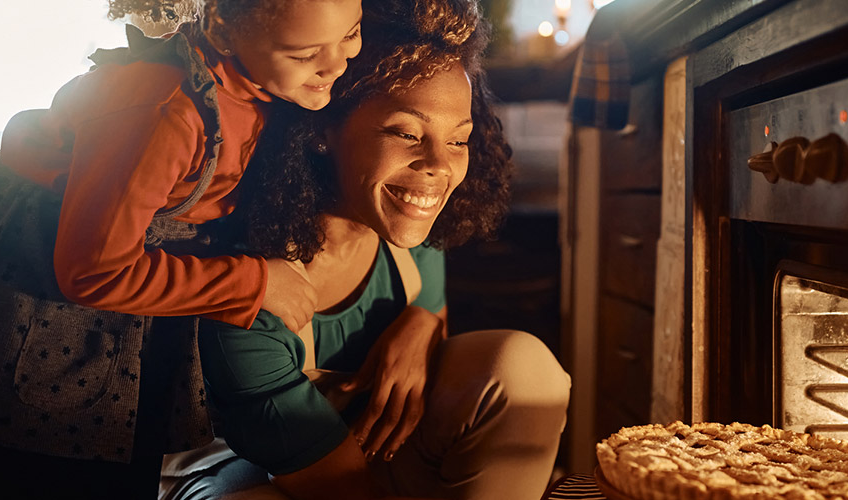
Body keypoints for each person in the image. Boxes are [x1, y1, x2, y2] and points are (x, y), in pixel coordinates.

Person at [0, 0, 362, 497]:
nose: (336, 64)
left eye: (350, 34)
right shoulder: (165, 111)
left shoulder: (274, 82)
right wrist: (255, 282)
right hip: (38, 302)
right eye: (306, 51)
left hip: (130, 306)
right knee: (41, 469)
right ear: (223, 30)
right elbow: (94, 271)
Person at [163, 1, 569, 499]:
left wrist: (422, 324)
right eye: (405, 133)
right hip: (266, 476)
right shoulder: (250, 294)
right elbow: (339, 485)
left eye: (458, 141)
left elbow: (434, 307)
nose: (438, 166)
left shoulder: (404, 230)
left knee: (523, 368)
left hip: (373, 455)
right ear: (322, 130)